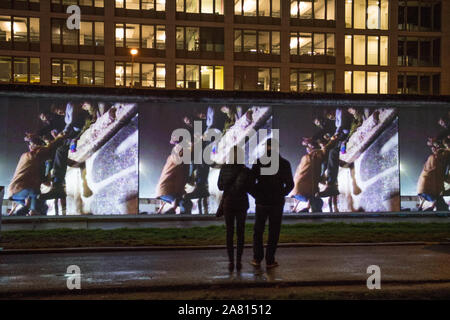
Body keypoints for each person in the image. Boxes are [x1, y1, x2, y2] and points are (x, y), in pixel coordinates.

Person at [250, 139, 294, 269]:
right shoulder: (284, 163)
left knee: (258, 231)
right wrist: (281, 193)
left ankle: (257, 258)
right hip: (276, 202)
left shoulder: (258, 163)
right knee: (274, 232)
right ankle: (270, 260)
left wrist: (257, 195)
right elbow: (290, 184)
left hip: (262, 202)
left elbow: (251, 183)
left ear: (266, 147)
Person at [41, 102, 90, 200]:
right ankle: (57, 182)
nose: (59, 112)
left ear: (61, 104)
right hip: (74, 131)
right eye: (57, 112)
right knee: (58, 151)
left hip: (81, 127)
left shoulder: (70, 105)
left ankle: (57, 185)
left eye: (58, 110)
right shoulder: (64, 116)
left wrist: (63, 134)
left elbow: (72, 121)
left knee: (60, 150)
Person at [8, 134, 65, 216]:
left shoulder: (32, 161)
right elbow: (49, 148)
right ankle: (33, 212)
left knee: (34, 203)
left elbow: (46, 182)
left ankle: (28, 212)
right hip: (22, 190)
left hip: (16, 193)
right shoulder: (32, 155)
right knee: (37, 198)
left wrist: (49, 173)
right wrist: (60, 137)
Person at [218, 146, 252, 272]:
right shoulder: (245, 170)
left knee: (229, 232)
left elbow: (220, 186)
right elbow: (249, 187)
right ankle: (239, 261)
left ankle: (231, 261)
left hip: (228, 203)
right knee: (240, 232)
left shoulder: (224, 168)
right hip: (241, 203)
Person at [289, 137, 338, 213]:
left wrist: (325, 182)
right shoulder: (313, 156)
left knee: (315, 200)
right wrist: (332, 140)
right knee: (317, 201)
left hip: (297, 192)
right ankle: (316, 216)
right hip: (305, 192)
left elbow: (313, 177)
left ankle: (309, 214)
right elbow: (325, 150)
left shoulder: (306, 160)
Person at [320, 108, 352, 197]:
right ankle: (330, 182)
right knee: (329, 152)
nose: (330, 118)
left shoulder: (340, 110)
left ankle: (331, 185)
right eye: (328, 117)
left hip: (345, 134)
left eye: (329, 115)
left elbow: (341, 125)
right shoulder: (337, 116)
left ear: (331, 111)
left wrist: (335, 135)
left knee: (333, 152)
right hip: (342, 135)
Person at [155, 145, 192, 214]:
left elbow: (183, 178)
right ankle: (184, 222)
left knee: (184, 201)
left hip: (168, 190)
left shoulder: (182, 164)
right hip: (166, 190)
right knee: (185, 202)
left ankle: (171, 214)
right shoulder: (176, 158)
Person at [417, 139, 450, 211]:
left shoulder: (432, 158)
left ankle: (425, 209)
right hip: (430, 190)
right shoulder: (438, 158)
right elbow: (439, 176)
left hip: (422, 189)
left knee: (439, 201)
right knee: (441, 203)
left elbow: (438, 175)